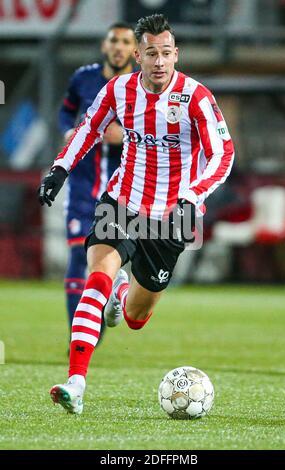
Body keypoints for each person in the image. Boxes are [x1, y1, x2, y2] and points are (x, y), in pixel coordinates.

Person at [38, 14, 235, 415]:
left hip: (172, 216)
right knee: (95, 275)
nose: (159, 61)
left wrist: (193, 195)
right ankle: (76, 382)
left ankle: (123, 293)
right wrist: (59, 169)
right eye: (151, 53)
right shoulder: (119, 90)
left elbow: (222, 154)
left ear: (175, 54)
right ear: (137, 55)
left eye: (166, 53)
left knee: (136, 318)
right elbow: (89, 129)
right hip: (122, 201)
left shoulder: (196, 97)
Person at [58, 23, 136, 332]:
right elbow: (65, 111)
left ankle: (112, 298)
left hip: (122, 190)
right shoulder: (83, 78)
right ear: (105, 46)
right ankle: (76, 331)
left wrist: (126, 136)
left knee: (108, 260)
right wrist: (67, 130)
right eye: (113, 40)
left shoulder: (139, 86)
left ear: (134, 50)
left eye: (125, 41)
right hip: (82, 185)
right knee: (78, 255)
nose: (118, 47)